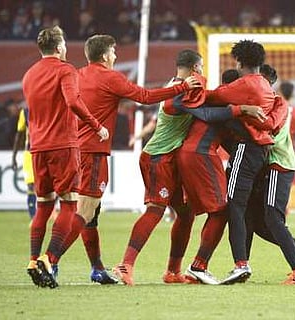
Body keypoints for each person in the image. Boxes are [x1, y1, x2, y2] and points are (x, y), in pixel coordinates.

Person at [55, 34, 201, 285]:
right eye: (113, 51)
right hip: (108, 151)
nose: (116, 55)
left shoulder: (77, 75)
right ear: (104, 55)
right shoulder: (110, 77)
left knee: (92, 214)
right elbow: (144, 97)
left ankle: (99, 268)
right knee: (88, 211)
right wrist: (184, 87)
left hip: (77, 149)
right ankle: (51, 259)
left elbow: (66, 105)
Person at [112, 50, 263, 286]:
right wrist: (240, 109)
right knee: (155, 210)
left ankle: (173, 271)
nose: (202, 71)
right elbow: (205, 112)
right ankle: (125, 265)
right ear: (195, 68)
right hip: (158, 157)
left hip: (173, 158)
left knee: (186, 213)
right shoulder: (178, 92)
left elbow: (207, 103)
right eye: (201, 67)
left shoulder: (182, 87)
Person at [22, 25, 109, 288]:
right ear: (60, 47)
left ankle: (33, 259)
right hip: (63, 145)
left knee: (43, 206)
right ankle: (49, 260)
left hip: (38, 147)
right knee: (70, 204)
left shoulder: (29, 74)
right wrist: (96, 125)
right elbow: (72, 102)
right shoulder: (65, 70)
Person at [178, 69, 267, 285]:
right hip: (201, 154)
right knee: (221, 210)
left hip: (192, 154)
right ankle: (198, 265)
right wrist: (244, 109)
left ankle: (180, 268)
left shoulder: (216, 102)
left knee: (191, 212)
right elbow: (211, 116)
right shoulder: (222, 103)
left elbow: (229, 139)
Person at [243, 64, 295, 285]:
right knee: (259, 223)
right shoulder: (267, 103)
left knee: (272, 217)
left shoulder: (280, 106)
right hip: (271, 166)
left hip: (279, 164)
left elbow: (269, 140)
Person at [205, 40, 277, 284]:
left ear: (240, 61)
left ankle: (241, 264)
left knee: (233, 206)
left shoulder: (244, 84)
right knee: (243, 209)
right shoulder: (265, 84)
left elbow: (212, 97)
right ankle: (242, 262)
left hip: (246, 150)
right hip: (262, 152)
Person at [12, 106, 36, 221]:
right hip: (29, 153)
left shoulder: (48, 108)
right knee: (31, 185)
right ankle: (33, 218)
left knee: (46, 187)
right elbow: (19, 134)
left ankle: (46, 214)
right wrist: (14, 156)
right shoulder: (25, 112)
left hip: (45, 152)